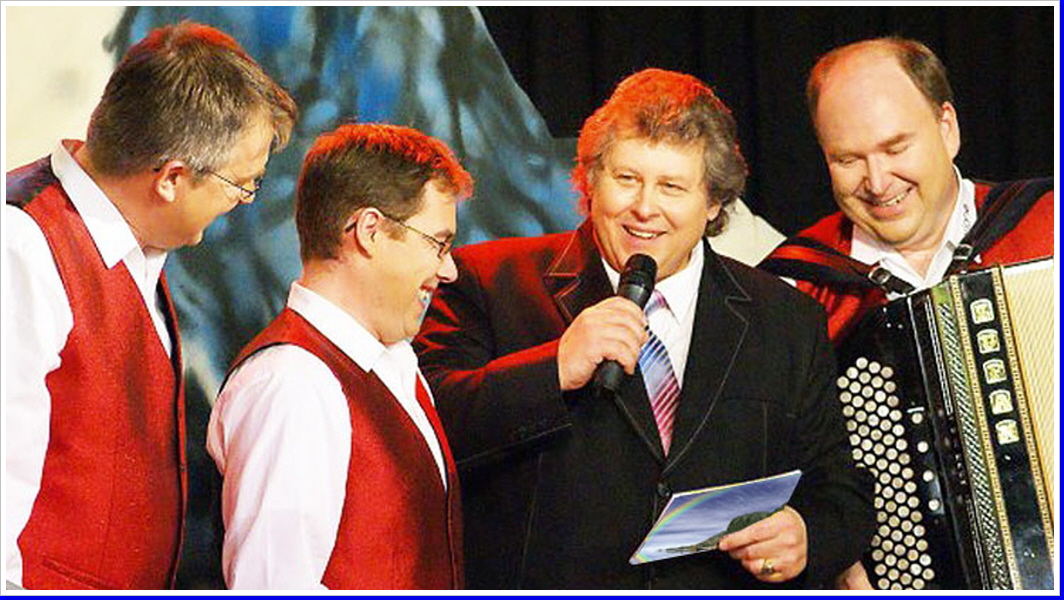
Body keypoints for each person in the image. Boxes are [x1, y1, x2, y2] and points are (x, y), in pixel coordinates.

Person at [414, 68, 873, 589]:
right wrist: (552, 369)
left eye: (672, 187)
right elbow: (425, 431)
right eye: (627, 179)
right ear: (590, 180)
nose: (645, 208)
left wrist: (808, 534)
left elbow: (838, 486)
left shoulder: (785, 317)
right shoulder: (488, 282)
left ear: (713, 203)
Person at [4, 22, 296, 590]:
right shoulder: (21, 247)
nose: (242, 202)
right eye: (242, 184)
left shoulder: (136, 250)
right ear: (171, 178)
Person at [206, 124, 470, 589]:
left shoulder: (394, 363)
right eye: (437, 243)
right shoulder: (293, 382)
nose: (447, 269)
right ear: (370, 231)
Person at [760, 37, 1054, 343]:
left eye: (895, 149)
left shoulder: (1048, 224)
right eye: (847, 160)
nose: (877, 184)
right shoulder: (790, 289)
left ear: (947, 130)